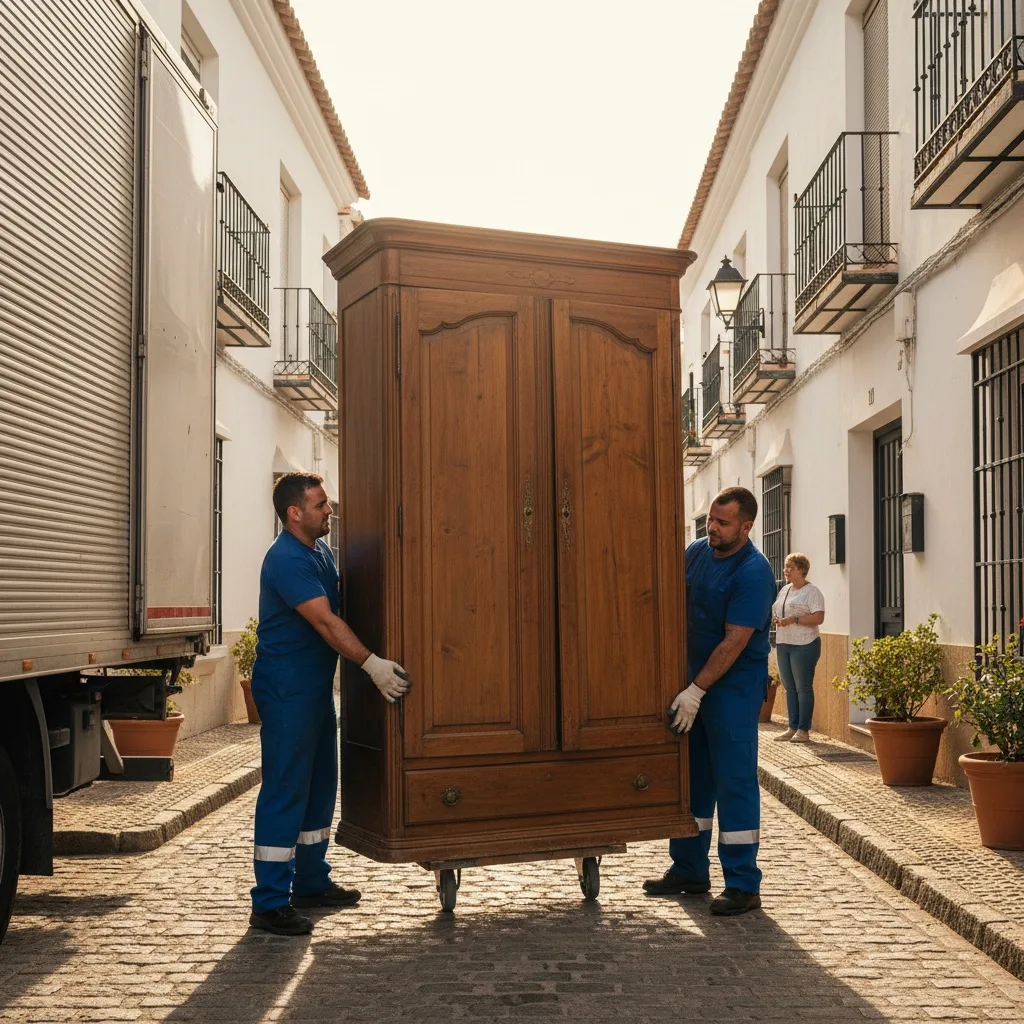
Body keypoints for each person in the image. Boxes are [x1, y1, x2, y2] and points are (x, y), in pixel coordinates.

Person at [249, 472, 411, 936]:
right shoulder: (286, 559)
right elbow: (324, 622)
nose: (329, 510)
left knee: (320, 785)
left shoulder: (318, 550)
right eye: (320, 505)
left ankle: (311, 882)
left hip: (314, 689)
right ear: (294, 512)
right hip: (287, 690)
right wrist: (372, 664)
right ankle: (270, 902)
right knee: (286, 788)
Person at [643, 486, 776, 916]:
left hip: (732, 692)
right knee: (692, 780)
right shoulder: (698, 552)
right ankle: (689, 870)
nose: (711, 528)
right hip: (691, 686)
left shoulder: (754, 573)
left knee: (734, 782)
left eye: (722, 522)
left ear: (746, 526)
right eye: (709, 520)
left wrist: (697, 691)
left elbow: (734, 641)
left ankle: (742, 884)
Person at [772, 552, 825, 743]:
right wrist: (778, 620)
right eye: (786, 566)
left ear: (802, 570)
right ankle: (792, 727)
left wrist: (794, 619)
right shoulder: (785, 590)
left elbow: (818, 617)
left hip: (804, 644)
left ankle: (803, 729)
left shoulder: (812, 592)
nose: (786, 570)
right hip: (783, 643)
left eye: (791, 567)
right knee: (789, 688)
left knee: (803, 687)